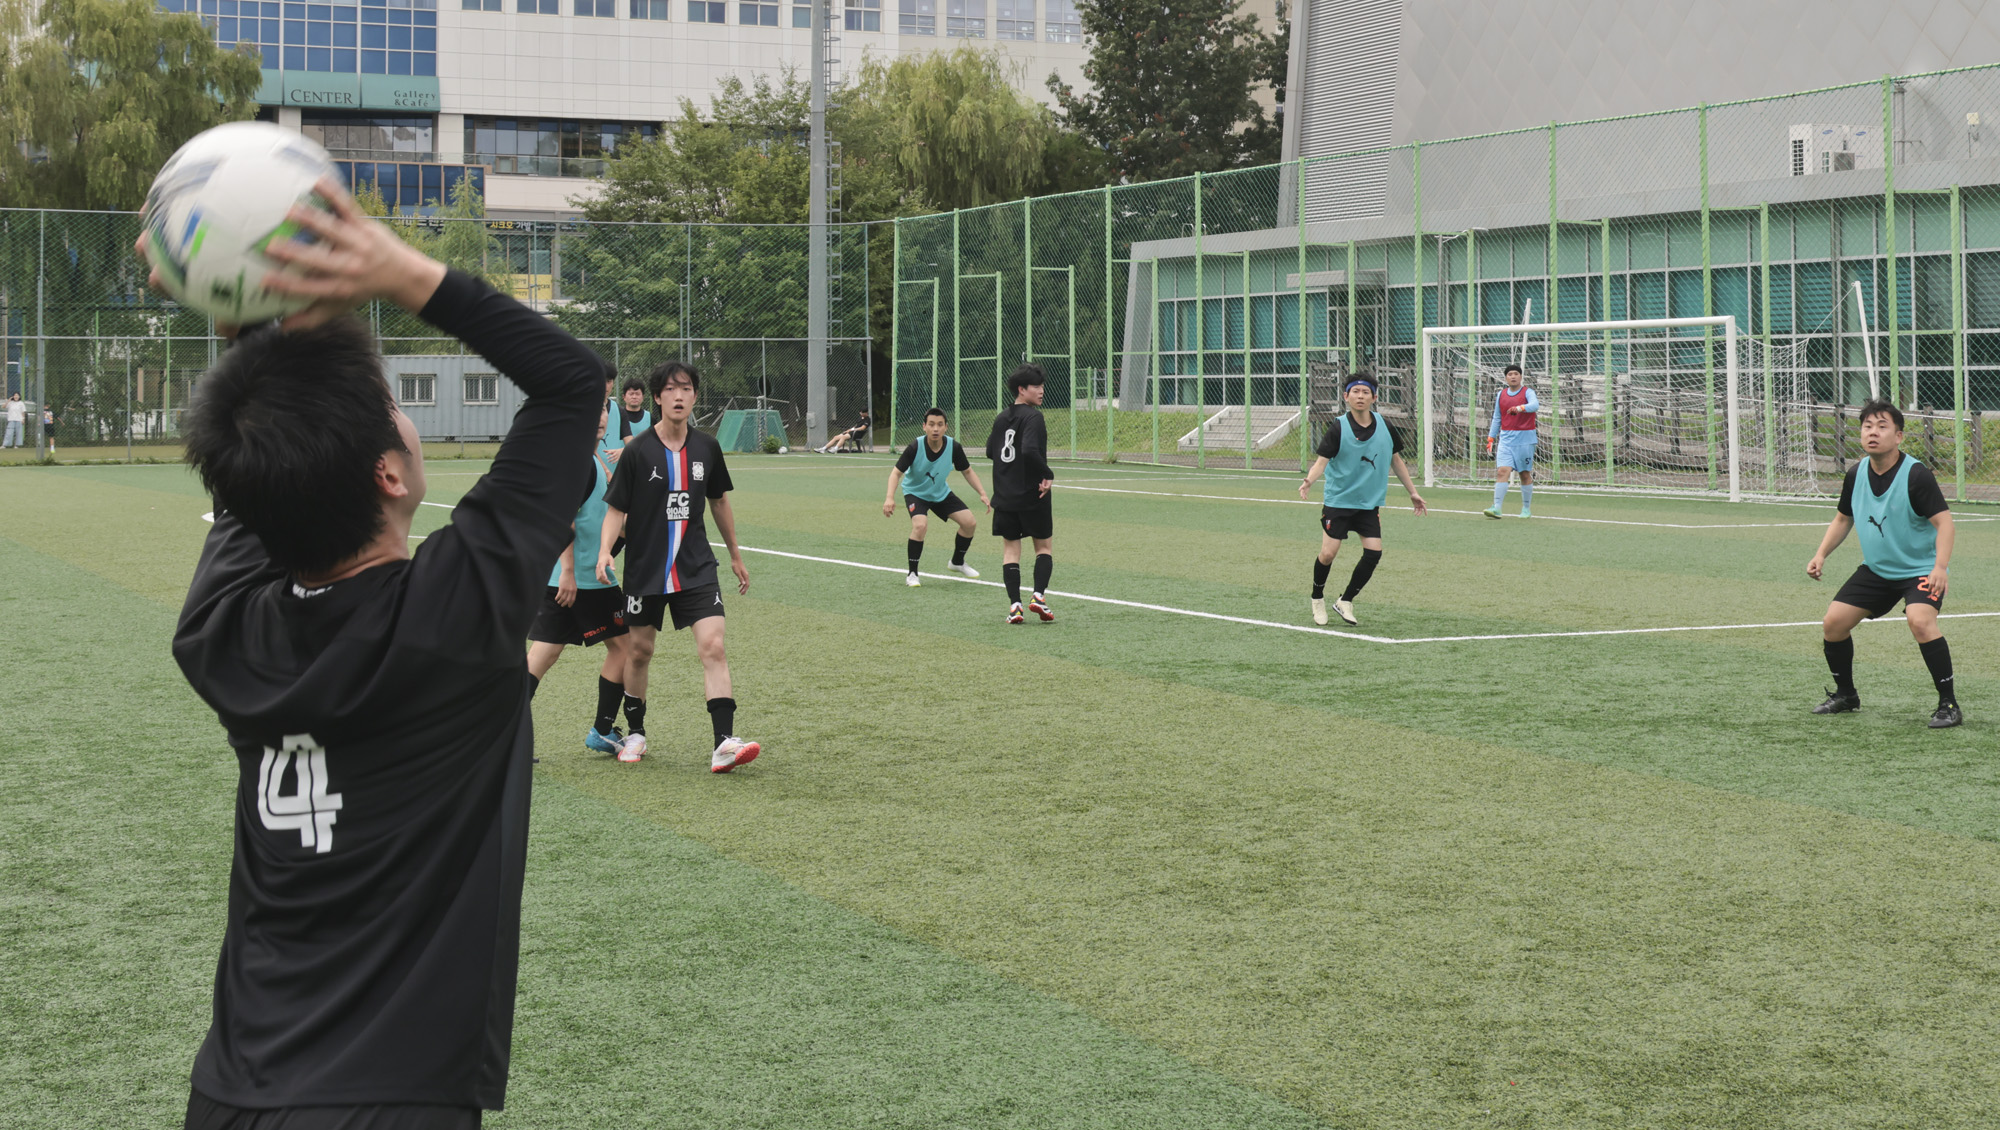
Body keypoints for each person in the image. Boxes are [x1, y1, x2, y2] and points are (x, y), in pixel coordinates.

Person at [153, 179, 605, 1129]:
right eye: (393, 407)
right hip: (391, 1101)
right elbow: (572, 383)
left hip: (232, 1091)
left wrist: (252, 314)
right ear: (390, 475)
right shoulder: (455, 611)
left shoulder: (222, 633)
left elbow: (258, 461)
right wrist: (402, 276)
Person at [596, 361, 761, 772]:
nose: (678, 396)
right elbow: (615, 509)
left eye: (686, 388)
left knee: (714, 646)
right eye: (670, 389)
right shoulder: (637, 451)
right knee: (639, 652)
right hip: (646, 569)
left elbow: (719, 501)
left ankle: (724, 743)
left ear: (694, 396)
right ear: (658, 397)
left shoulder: (707, 448)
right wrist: (604, 552)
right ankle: (636, 733)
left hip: (696, 566)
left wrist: (735, 554)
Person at [1806, 399, 1960, 727]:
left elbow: (1945, 523)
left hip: (1919, 569)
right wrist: (1820, 554)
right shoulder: (1855, 473)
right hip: (1877, 569)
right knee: (1834, 623)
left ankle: (1949, 705)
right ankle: (1846, 695)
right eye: (1867, 427)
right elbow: (1843, 518)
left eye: (1881, 426)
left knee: (1920, 621)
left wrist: (1940, 567)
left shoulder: (1916, 475)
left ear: (1899, 436)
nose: (1872, 432)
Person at [527, 400, 636, 760]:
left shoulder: (592, 459)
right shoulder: (578, 463)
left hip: (574, 576)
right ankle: (602, 730)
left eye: (603, 408)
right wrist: (569, 573)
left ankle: (502, 737)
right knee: (625, 648)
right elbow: (562, 519)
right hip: (582, 579)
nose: (600, 416)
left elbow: (602, 518)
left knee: (543, 655)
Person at [1297, 374, 1428, 626]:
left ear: (1374, 397)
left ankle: (1345, 600)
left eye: (1365, 392)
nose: (1360, 396)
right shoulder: (1338, 428)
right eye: (1355, 392)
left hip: (1368, 503)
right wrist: (1310, 480)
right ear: (1346, 396)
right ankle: (1317, 598)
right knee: (1328, 554)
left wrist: (1412, 492)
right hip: (1339, 502)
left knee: (1374, 553)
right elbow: (1322, 461)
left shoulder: (1385, 426)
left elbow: (1396, 460)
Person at [883, 406, 988, 586]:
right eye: (931, 424)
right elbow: (896, 473)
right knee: (920, 525)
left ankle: (957, 562)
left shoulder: (954, 447)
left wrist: (982, 493)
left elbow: (968, 471)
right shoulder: (915, 446)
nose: (935, 429)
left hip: (940, 493)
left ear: (946, 427)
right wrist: (889, 497)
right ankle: (912, 574)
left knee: (969, 523)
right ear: (924, 426)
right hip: (916, 493)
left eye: (940, 424)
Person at [985, 364, 1055, 624]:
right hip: (1032, 494)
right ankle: (1038, 596)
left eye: (1042, 386)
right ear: (1021, 389)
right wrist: (1047, 473)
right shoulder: (1034, 417)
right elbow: (1028, 450)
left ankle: (1015, 606)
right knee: (1043, 547)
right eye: (1035, 386)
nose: (1041, 390)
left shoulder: (1001, 418)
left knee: (1011, 551)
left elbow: (991, 451)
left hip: (1005, 496)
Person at [1482, 363, 1536, 519]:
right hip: (1506, 439)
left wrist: (1520, 408)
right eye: (1510, 374)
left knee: (1524, 474)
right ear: (1505, 378)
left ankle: (1526, 508)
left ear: (1521, 376)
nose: (1513, 377)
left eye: (1516, 374)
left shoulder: (1528, 392)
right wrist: (1491, 437)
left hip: (1525, 439)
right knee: (1502, 471)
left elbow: (1534, 405)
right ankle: (1497, 508)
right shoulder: (1501, 394)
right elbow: (1497, 417)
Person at [604, 375, 650, 465]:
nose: (634, 397)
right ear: (624, 397)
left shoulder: (649, 417)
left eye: (637, 394)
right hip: (616, 462)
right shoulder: (617, 413)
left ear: (643, 397)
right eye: (631, 394)